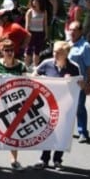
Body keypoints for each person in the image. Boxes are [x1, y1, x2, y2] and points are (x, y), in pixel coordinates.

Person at [32, 41, 82, 170]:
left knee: (63, 132)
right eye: (54, 52)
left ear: (66, 54)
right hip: (48, 105)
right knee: (48, 131)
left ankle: (58, 159)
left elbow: (81, 86)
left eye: (59, 53)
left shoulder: (73, 67)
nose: (55, 54)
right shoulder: (46, 63)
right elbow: (34, 76)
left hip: (66, 106)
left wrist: (74, 81)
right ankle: (44, 159)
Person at [0, 40, 26, 171]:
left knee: (13, 133)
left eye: (11, 50)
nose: (9, 53)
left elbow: (28, 83)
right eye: (6, 50)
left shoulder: (21, 66)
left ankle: (14, 160)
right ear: (2, 52)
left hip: (15, 105)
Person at [67, 21, 90, 143]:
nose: (72, 32)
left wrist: (88, 83)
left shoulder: (85, 46)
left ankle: (83, 132)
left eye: (75, 30)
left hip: (79, 83)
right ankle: (65, 131)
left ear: (80, 31)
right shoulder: (66, 44)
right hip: (65, 82)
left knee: (79, 107)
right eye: (70, 29)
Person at [24, 0, 48, 69]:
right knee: (28, 50)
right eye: (33, 0)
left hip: (40, 33)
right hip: (31, 33)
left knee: (37, 51)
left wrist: (46, 34)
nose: (35, 2)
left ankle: (35, 66)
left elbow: (45, 24)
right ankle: (26, 66)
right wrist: (26, 35)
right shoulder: (30, 12)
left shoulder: (44, 11)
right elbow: (27, 25)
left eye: (37, 1)